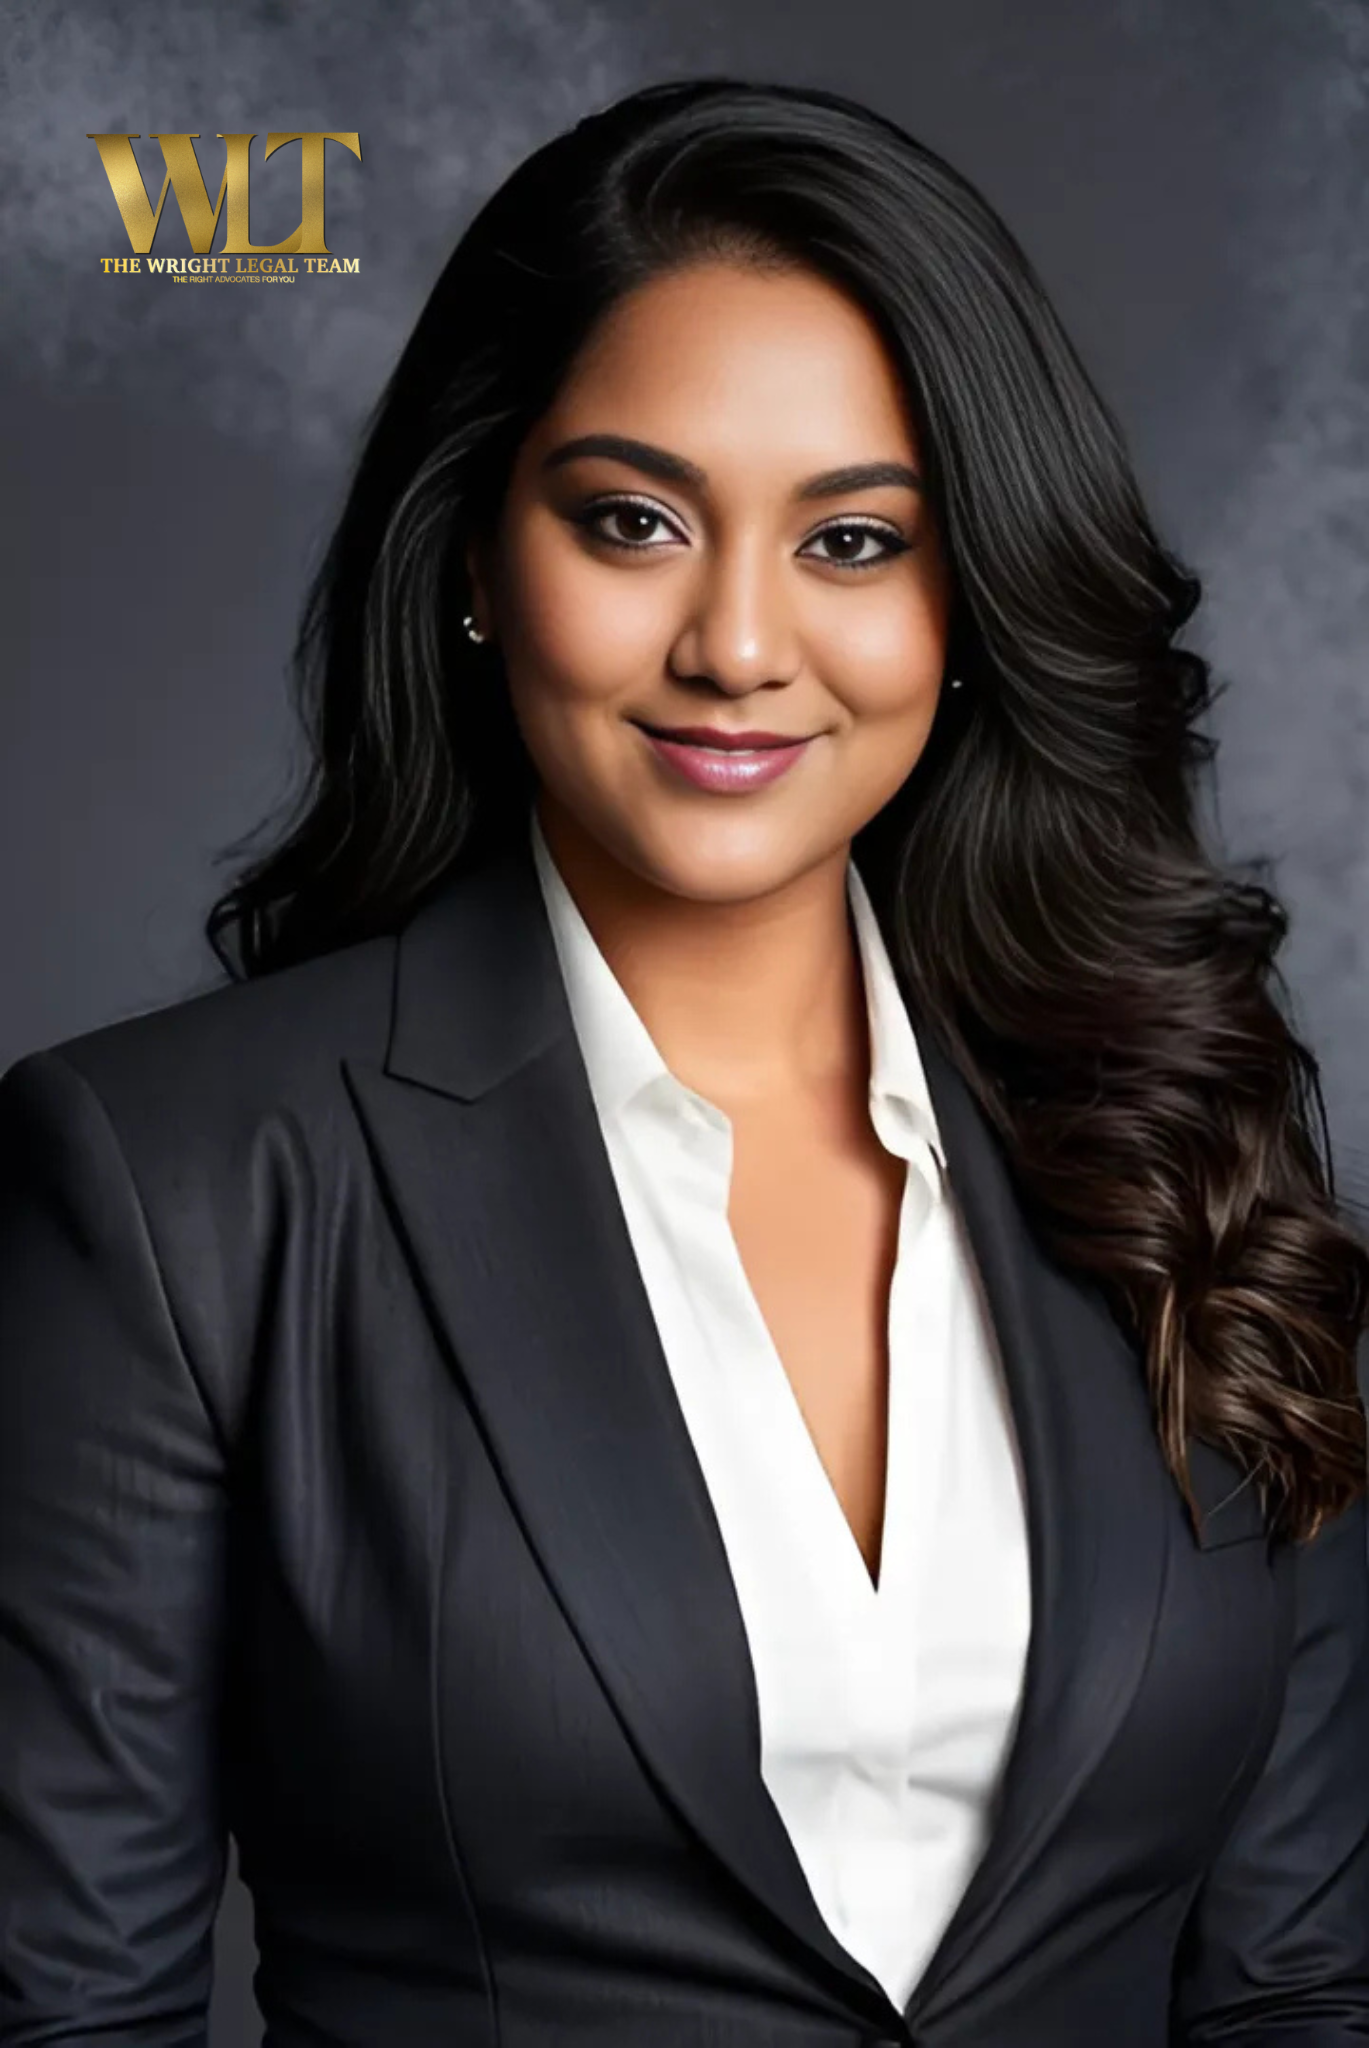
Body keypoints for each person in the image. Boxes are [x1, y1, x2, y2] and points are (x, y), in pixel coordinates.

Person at [1, 75, 1366, 2048]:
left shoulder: (1189, 1149)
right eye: (632, 521)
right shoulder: (173, 1185)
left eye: (854, 540)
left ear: (969, 597)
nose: (737, 642)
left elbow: (1302, 1986)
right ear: (478, 561)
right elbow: (69, 2019)